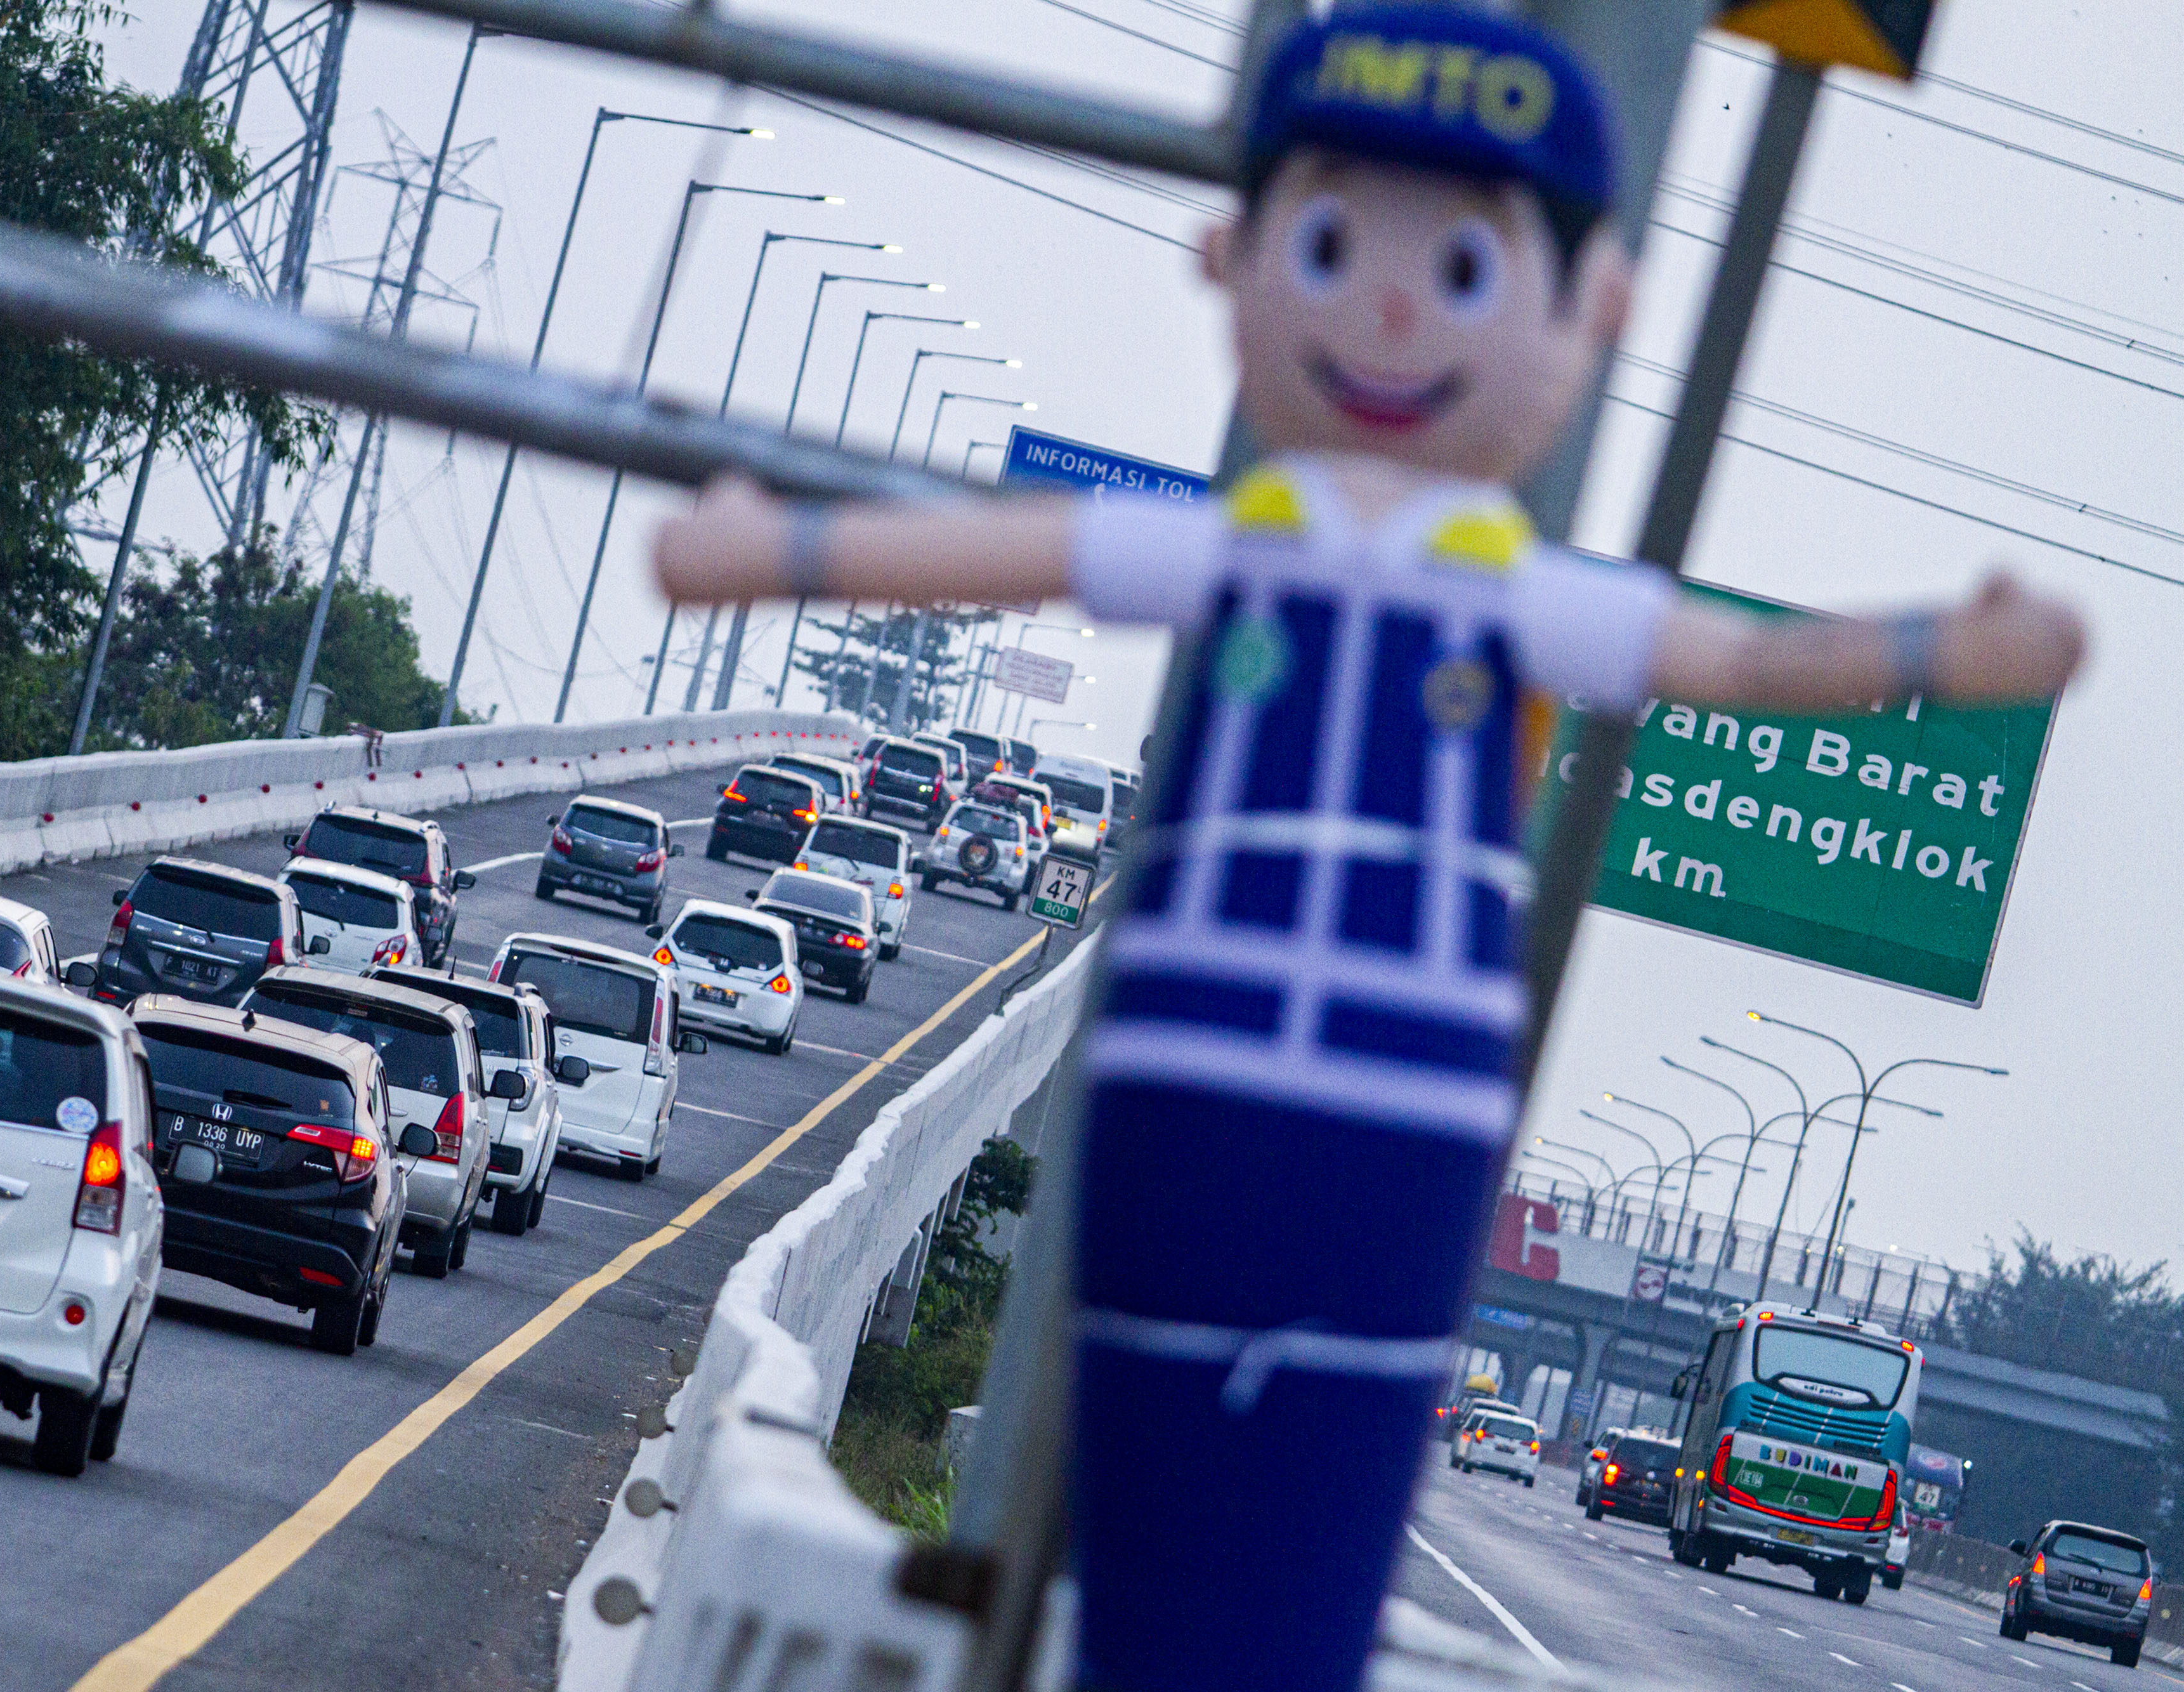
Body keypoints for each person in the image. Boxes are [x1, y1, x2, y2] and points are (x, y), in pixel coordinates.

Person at [653, 6, 2083, 1686]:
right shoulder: (1242, 547)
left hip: (1382, 1135)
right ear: (1235, 254)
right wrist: (781, 546)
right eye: (1334, 243)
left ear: (1594, 309)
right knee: (1154, 1535)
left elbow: (1749, 665)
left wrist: (1930, 656)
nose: (1395, 303)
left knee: (1301, 1571)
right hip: (1212, 1097)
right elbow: (1017, 537)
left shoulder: (1507, 587)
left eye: (1465, 269)